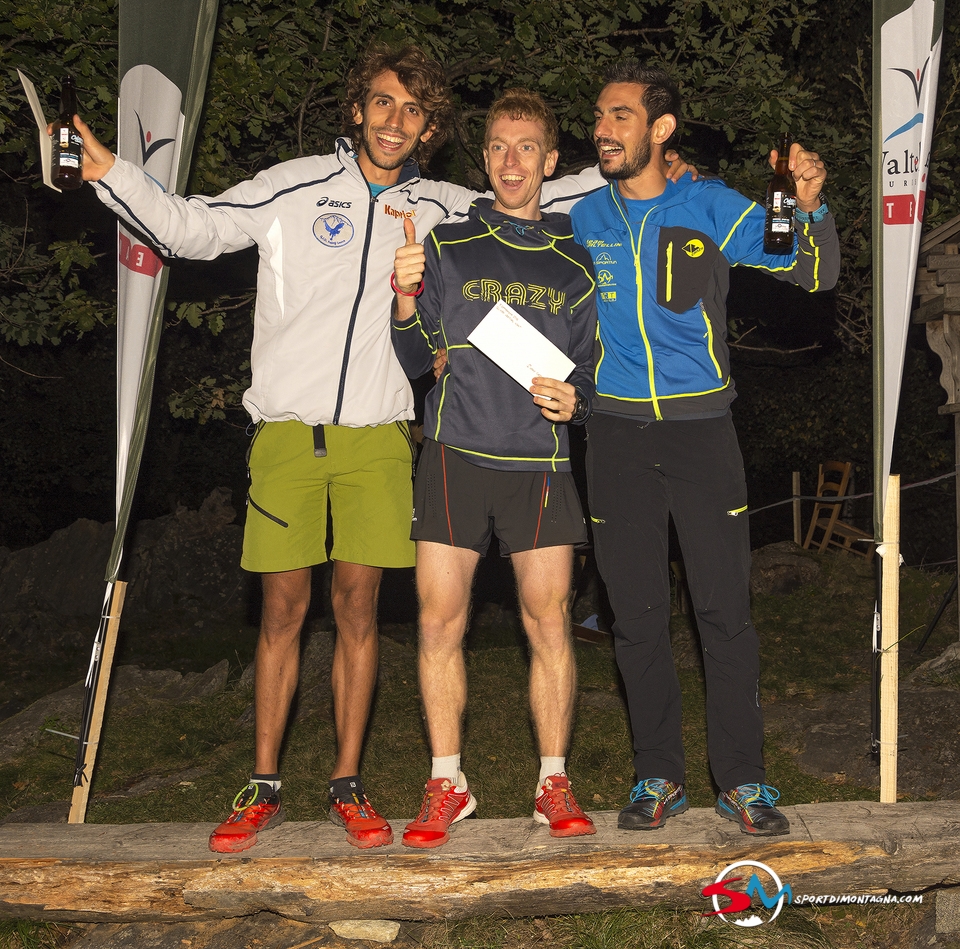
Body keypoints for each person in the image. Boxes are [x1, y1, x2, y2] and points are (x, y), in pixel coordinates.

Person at [68, 43, 690, 853]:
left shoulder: (446, 207)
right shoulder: (293, 187)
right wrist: (108, 171)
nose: (397, 122)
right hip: (289, 434)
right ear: (357, 107)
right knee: (285, 611)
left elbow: (531, 180)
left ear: (430, 127)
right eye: (384, 104)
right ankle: (262, 784)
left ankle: (348, 783)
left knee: (360, 610)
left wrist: (648, 168)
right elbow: (194, 228)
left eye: (414, 111)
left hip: (382, 438)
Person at [569, 61, 840, 837]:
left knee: (724, 611)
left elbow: (804, 265)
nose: (601, 129)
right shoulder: (584, 217)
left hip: (701, 432)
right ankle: (657, 772)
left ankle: (744, 781)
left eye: (618, 116)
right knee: (637, 616)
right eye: (598, 115)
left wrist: (804, 204)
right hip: (615, 434)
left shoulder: (710, 204)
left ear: (660, 130)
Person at [390, 88, 598, 848]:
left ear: (549, 160)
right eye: (499, 148)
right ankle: (448, 780)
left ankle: (553, 779)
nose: (513, 162)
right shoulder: (445, 244)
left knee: (550, 623)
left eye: (528, 148)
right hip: (453, 456)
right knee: (437, 620)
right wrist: (406, 299)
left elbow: (593, 372)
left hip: (539, 464)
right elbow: (417, 358)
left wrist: (575, 401)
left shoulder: (575, 263)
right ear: (485, 159)